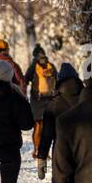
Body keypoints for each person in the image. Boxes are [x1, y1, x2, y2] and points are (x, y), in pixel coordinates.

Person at [36, 61, 82, 177]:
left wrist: (42, 157)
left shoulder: (53, 104)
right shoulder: (87, 100)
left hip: (61, 151)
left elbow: (47, 134)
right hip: (84, 150)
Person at [24, 45, 58, 173]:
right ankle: (45, 151)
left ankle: (37, 149)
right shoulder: (51, 66)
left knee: (38, 125)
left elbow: (25, 79)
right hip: (50, 99)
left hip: (37, 100)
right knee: (48, 125)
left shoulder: (33, 67)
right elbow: (58, 79)